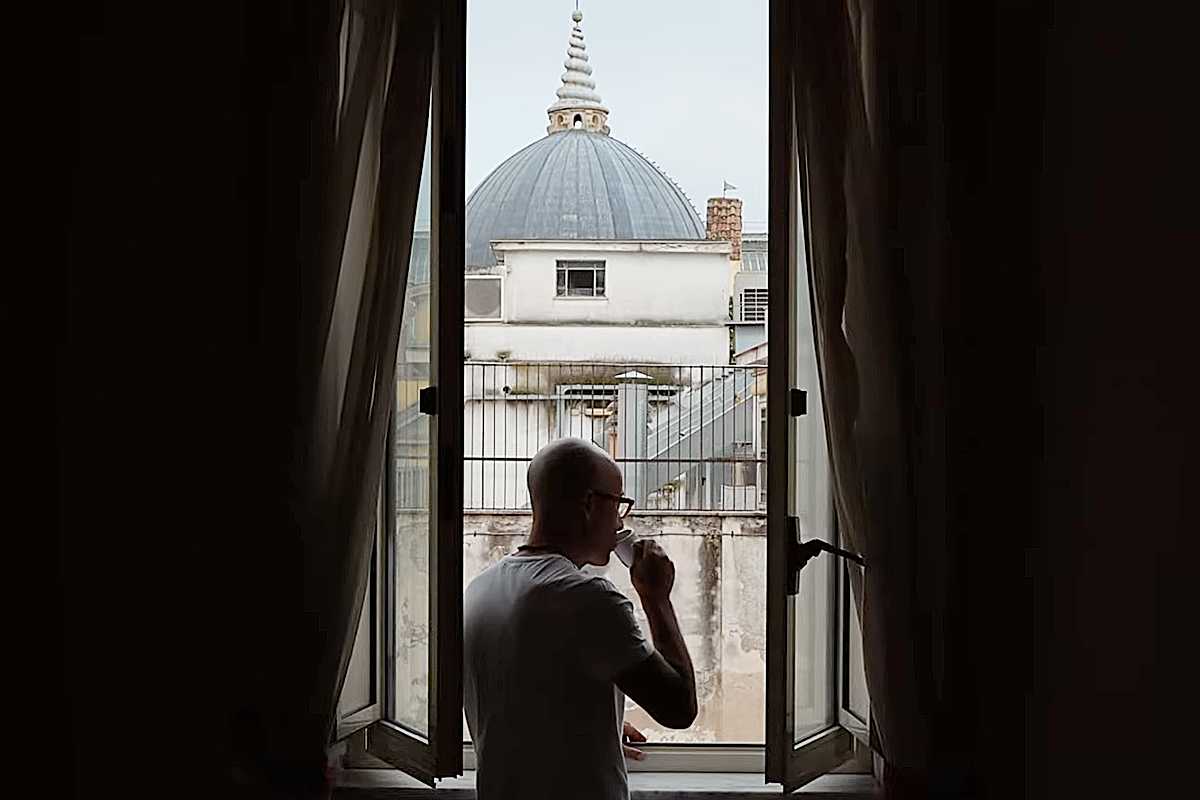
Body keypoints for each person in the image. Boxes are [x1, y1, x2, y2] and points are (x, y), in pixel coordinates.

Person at [463, 438, 697, 800]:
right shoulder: (591, 600)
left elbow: (523, 703)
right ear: (589, 503)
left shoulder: (480, 590)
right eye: (618, 504)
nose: (620, 519)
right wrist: (656, 598)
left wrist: (594, 723)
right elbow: (679, 708)